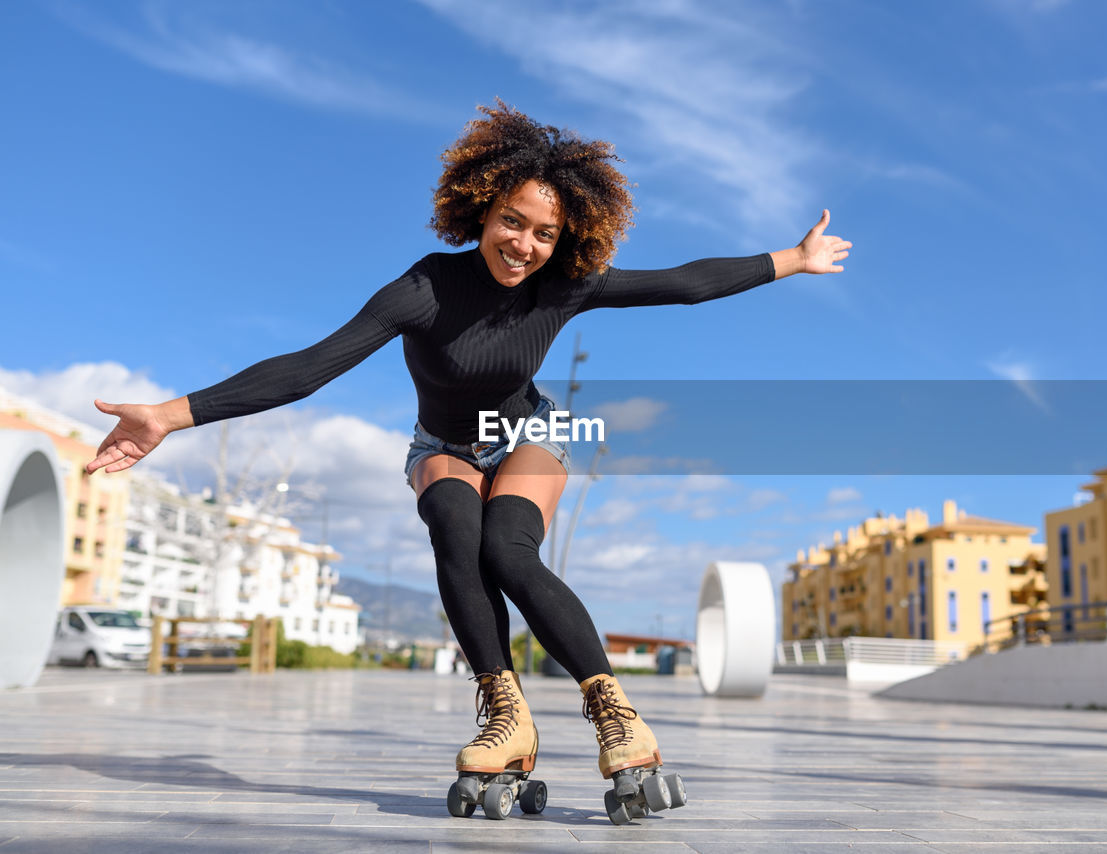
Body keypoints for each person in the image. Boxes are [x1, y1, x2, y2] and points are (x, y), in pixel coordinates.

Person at [86, 101, 851, 820]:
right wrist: (168, 415)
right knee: (456, 525)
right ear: (480, 210)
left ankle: (615, 713)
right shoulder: (423, 289)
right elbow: (310, 367)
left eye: (543, 233)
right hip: (443, 444)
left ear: (565, 238)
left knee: (507, 551)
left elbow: (682, 285)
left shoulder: (565, 287)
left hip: (531, 433)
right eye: (511, 222)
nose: (524, 245)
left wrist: (793, 258)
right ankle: (505, 712)